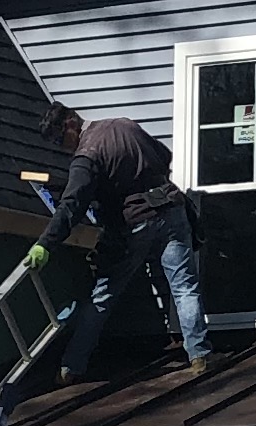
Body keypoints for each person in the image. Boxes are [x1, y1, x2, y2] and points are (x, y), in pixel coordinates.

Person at [24, 101, 211, 380]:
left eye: (61, 139)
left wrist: (45, 244)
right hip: (171, 210)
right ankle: (198, 355)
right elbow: (164, 156)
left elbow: (71, 205)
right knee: (184, 287)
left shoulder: (87, 154)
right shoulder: (125, 125)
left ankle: (71, 366)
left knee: (104, 293)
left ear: (71, 124)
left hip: (135, 222)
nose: (63, 147)